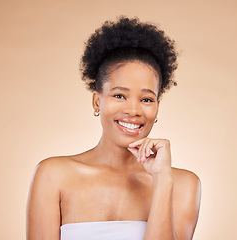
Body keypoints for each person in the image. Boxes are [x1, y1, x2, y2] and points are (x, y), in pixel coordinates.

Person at [26, 16, 201, 240]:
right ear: (97, 102)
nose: (133, 110)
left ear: (157, 107)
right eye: (119, 95)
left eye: (146, 100)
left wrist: (162, 180)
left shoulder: (184, 185)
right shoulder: (53, 175)